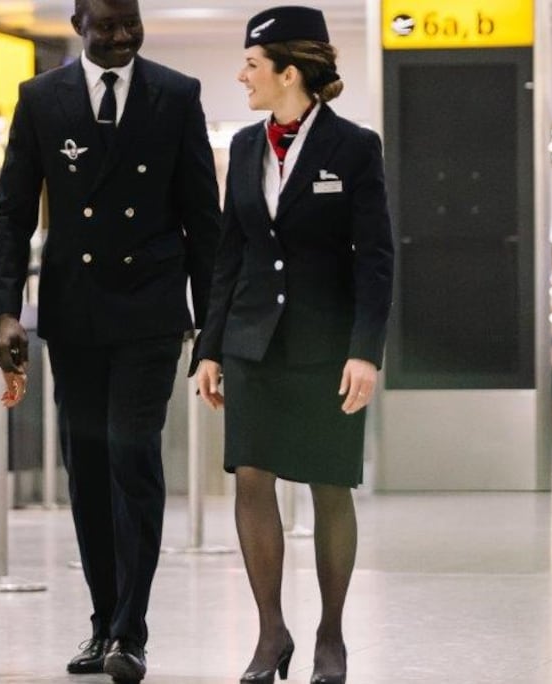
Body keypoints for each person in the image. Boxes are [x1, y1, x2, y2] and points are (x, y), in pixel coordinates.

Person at [0, 0, 221, 680]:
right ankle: (101, 622)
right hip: (75, 313)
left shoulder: (177, 95)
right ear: (78, 26)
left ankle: (131, 630)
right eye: (108, 26)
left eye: (132, 23)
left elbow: (202, 220)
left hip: (150, 311)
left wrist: (210, 330)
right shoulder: (41, 99)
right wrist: (6, 312)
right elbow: (10, 214)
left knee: (132, 454)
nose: (123, 37)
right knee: (86, 469)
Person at [194, 7, 394, 684]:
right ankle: (270, 632)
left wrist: (365, 350)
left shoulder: (354, 147)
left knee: (329, 486)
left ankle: (331, 636)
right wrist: (210, 348)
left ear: (288, 71)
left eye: (252, 65)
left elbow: (376, 257)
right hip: (253, 342)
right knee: (252, 478)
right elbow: (231, 253)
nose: (241, 76)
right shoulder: (246, 146)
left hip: (327, 347)